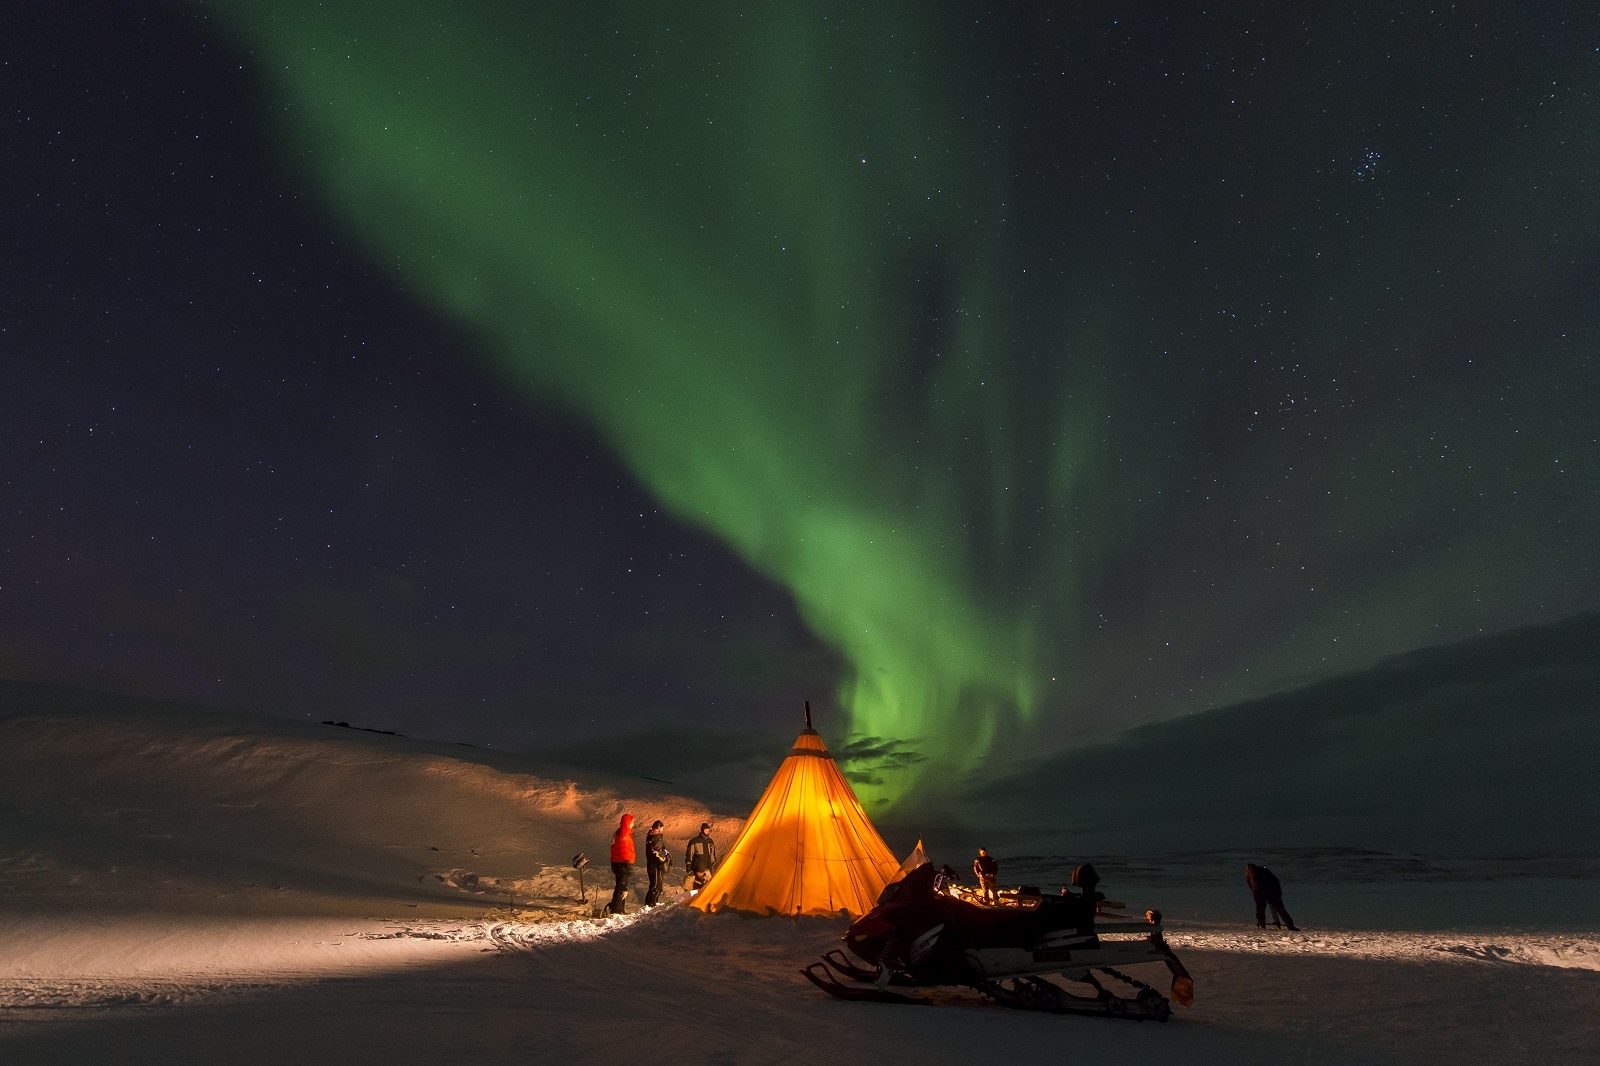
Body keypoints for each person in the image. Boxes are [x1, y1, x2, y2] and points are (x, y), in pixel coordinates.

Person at [1245, 863, 1298, 930]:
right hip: (1271, 892)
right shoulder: (1263, 870)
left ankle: (1261, 924)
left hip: (1262, 892)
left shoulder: (1250, 873)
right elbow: (1275, 881)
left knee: (1260, 908)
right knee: (1280, 909)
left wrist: (1256, 893)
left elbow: (1251, 885)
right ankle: (1290, 925)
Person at [607, 812, 636, 915]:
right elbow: (624, 849)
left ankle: (618, 908)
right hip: (622, 863)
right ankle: (617, 910)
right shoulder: (624, 834)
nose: (633, 824)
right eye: (632, 822)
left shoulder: (623, 832)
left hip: (619, 862)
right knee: (622, 887)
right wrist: (627, 862)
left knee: (621, 886)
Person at [685, 821, 718, 891]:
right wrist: (688, 865)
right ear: (702, 830)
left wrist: (715, 864)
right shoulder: (694, 841)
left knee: (707, 887)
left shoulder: (710, 842)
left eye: (708, 830)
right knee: (697, 886)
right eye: (706, 830)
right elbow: (689, 855)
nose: (707, 831)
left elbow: (712, 855)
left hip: (708, 868)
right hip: (698, 868)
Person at [644, 819, 670, 906]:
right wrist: (665, 856)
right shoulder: (657, 838)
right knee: (657, 886)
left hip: (651, 865)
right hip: (656, 866)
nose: (662, 831)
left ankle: (648, 903)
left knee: (653, 885)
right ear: (658, 829)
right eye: (662, 829)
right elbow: (659, 852)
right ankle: (652, 903)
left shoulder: (650, 837)